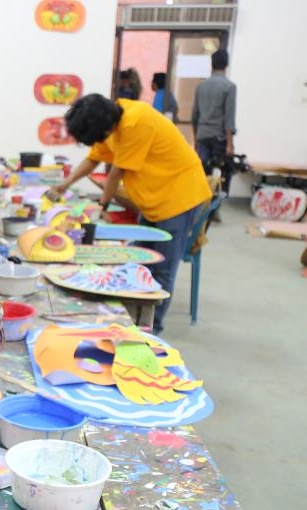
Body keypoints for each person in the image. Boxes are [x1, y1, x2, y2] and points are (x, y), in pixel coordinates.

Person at [47, 94, 211, 335]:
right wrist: (66, 184)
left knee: (161, 267)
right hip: (153, 198)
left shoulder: (136, 123)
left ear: (101, 129)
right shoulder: (111, 122)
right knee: (138, 261)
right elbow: (93, 159)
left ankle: (151, 331)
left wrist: (101, 207)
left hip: (179, 196)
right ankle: (133, 320)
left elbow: (116, 173)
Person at [192, 48, 237, 193]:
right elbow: (229, 117)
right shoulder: (229, 87)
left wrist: (196, 139)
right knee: (221, 174)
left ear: (212, 64)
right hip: (219, 137)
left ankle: (201, 202)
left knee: (203, 173)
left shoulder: (201, 86)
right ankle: (216, 202)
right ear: (226, 65)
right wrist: (230, 144)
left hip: (202, 136)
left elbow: (195, 115)